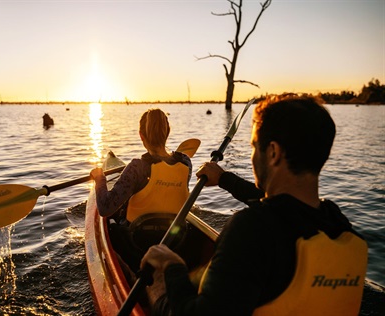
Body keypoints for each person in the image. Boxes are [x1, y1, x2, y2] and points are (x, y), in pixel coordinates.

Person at [141, 95, 368, 315]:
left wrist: (170, 268)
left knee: (149, 279)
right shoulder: (339, 225)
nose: (252, 156)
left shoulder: (252, 229)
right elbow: (284, 208)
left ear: (272, 152)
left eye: (253, 147)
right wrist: (224, 179)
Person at [90, 108, 192, 270]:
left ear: (141, 136)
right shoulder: (186, 163)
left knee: (111, 228)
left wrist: (100, 178)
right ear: (167, 132)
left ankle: (128, 272)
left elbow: (104, 208)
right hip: (174, 240)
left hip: (139, 244)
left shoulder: (138, 167)